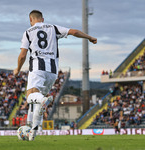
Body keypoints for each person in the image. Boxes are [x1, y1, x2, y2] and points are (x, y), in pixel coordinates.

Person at [13, 10, 97, 141]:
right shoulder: (53, 28)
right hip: (52, 72)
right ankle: (32, 135)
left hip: (37, 68)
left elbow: (23, 55)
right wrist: (89, 37)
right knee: (38, 104)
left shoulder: (28, 32)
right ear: (43, 19)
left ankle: (42, 100)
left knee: (30, 97)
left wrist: (17, 69)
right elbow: (74, 32)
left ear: (31, 19)